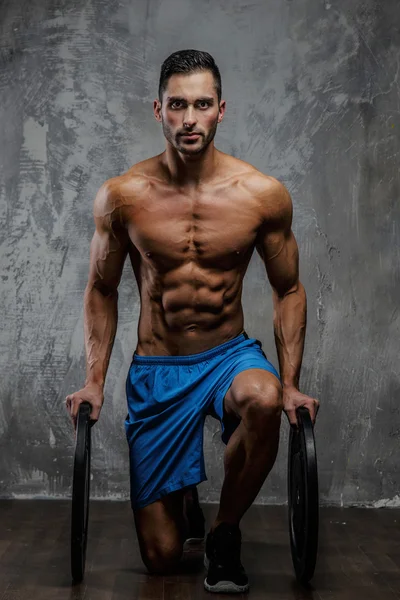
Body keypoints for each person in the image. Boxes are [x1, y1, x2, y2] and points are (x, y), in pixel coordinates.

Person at [65, 49, 319, 594]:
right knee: (161, 559)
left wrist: (293, 383)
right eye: (177, 104)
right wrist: (94, 379)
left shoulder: (261, 195)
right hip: (159, 366)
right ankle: (184, 499)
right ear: (158, 108)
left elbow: (289, 289)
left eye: (201, 105)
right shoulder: (123, 196)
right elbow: (101, 289)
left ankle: (226, 532)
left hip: (229, 355)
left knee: (265, 397)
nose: (189, 118)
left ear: (220, 110)